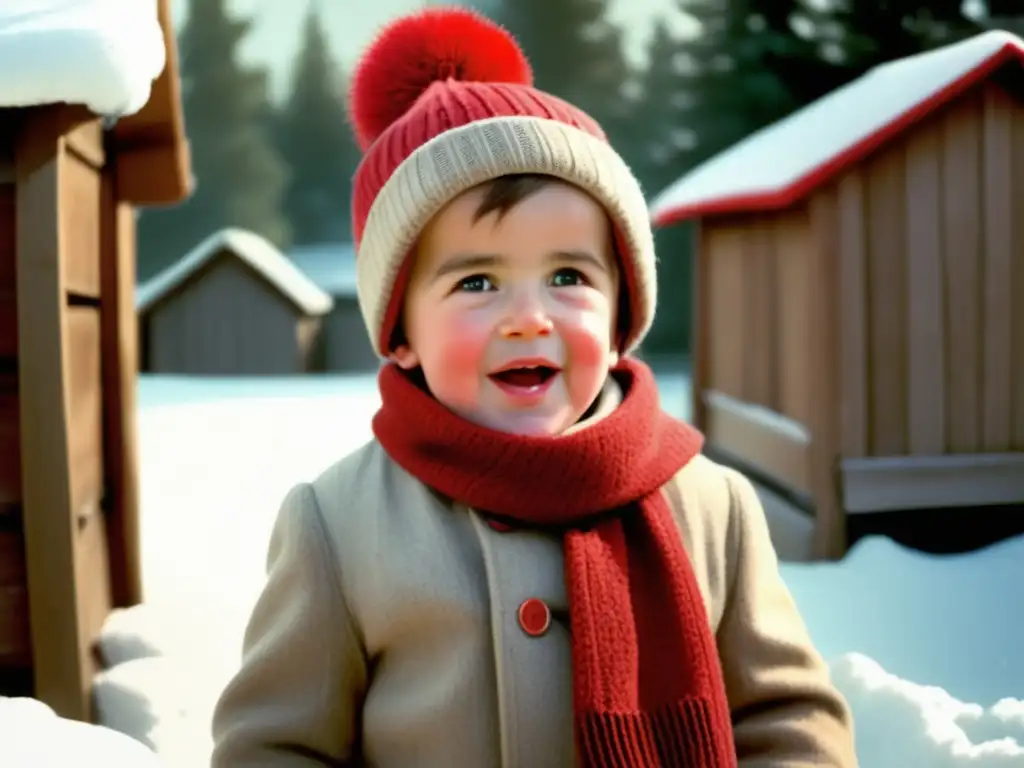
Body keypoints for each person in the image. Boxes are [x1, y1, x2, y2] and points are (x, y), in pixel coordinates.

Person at [210, 7, 856, 767]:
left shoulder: (711, 506)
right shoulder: (342, 526)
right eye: (477, 280)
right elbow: (274, 746)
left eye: (567, 276)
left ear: (623, 311)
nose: (527, 318)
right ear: (402, 333)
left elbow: (789, 722)